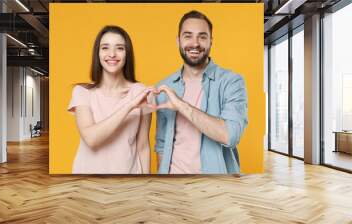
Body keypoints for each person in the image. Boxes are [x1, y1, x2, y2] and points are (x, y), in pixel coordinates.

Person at [155, 10, 248, 174]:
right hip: (174, 185)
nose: (195, 43)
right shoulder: (165, 86)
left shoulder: (231, 82)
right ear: (178, 41)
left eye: (202, 36)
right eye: (188, 36)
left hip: (215, 186)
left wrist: (182, 106)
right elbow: (162, 143)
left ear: (211, 41)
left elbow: (230, 135)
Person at [68, 25, 154, 174]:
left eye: (120, 48)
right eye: (105, 47)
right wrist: (130, 105)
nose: (112, 54)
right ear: (98, 53)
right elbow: (91, 139)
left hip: (128, 182)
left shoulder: (142, 93)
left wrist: (146, 184)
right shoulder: (82, 92)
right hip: (88, 179)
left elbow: (143, 145)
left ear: (127, 54)